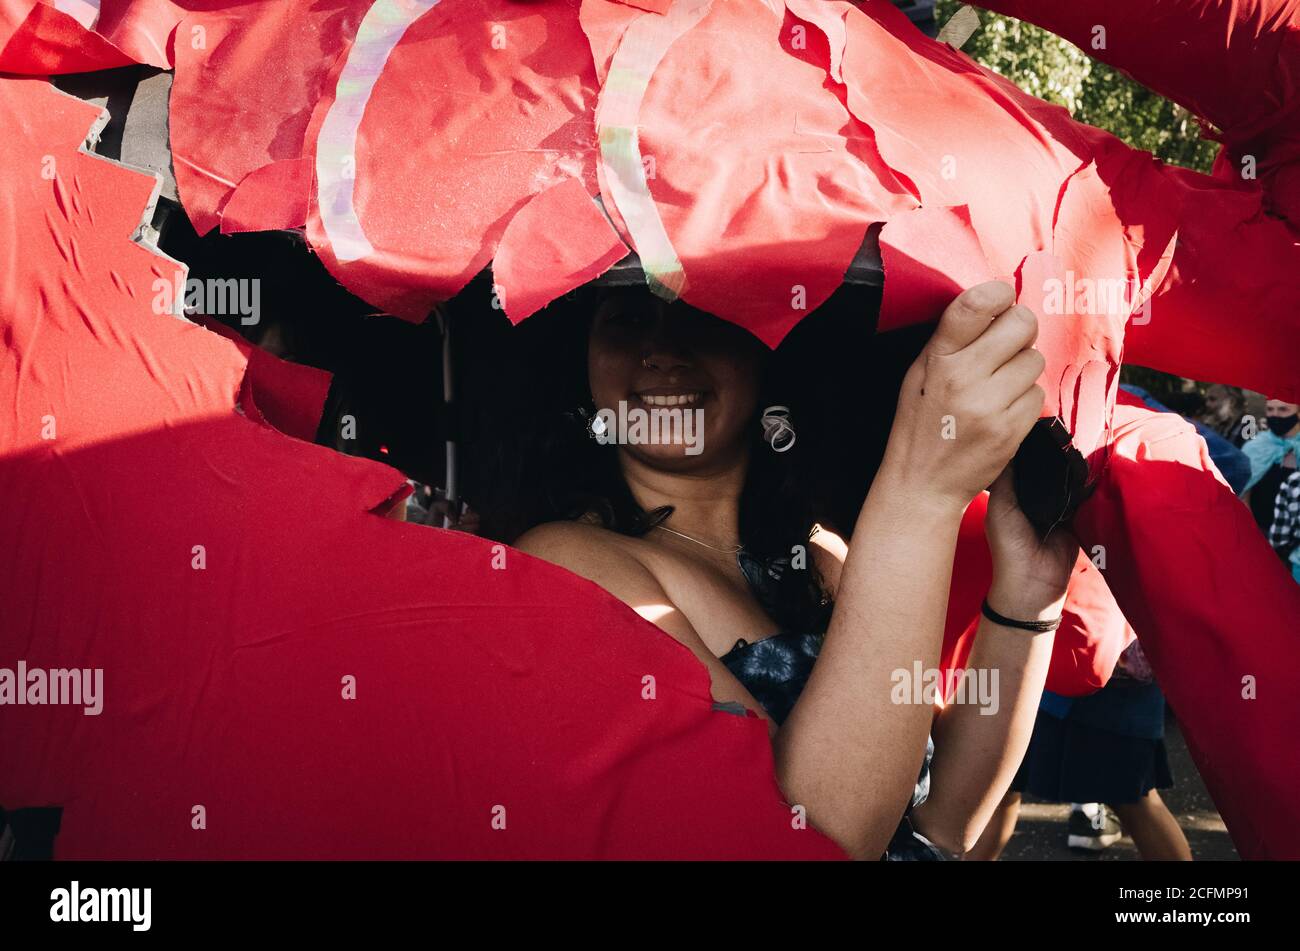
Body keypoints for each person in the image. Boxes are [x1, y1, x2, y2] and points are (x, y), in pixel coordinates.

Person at [497, 280, 1079, 860]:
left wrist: (1026, 600)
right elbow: (814, 840)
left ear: (764, 347)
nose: (665, 351)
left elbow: (943, 822)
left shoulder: (825, 546)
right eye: (626, 321)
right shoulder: (565, 562)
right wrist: (920, 491)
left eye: (703, 315)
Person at [1242, 399, 1300, 537]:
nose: (1275, 415)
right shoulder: (1255, 447)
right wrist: (1252, 531)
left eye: (1283, 409)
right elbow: (1243, 493)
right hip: (1259, 532)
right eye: (1270, 409)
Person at [1199, 384, 1249, 448]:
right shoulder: (1218, 424)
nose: (1207, 404)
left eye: (1212, 399)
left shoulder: (1248, 426)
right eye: (1206, 400)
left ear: (1231, 402)